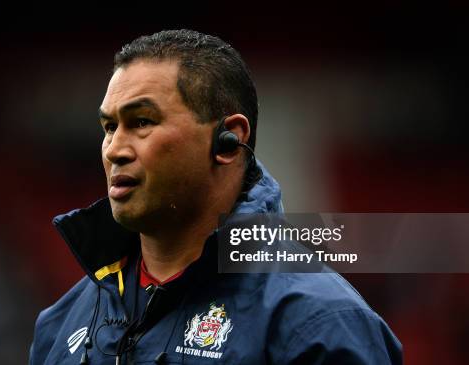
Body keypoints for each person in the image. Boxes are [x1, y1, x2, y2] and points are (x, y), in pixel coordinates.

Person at [29, 29, 402, 364]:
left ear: (228, 141)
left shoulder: (318, 322)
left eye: (141, 122)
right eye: (110, 127)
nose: (114, 150)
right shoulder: (60, 325)